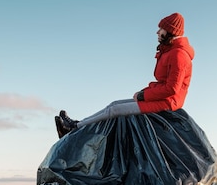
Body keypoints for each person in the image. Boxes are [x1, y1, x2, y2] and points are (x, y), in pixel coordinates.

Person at [55, 12, 195, 138]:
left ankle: (73, 129)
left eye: (161, 29)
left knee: (115, 110)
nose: (157, 32)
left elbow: (171, 89)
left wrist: (143, 96)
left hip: (167, 102)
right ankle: (77, 124)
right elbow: (163, 83)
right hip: (161, 97)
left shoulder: (179, 55)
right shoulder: (170, 51)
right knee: (114, 104)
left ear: (170, 31)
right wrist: (144, 92)